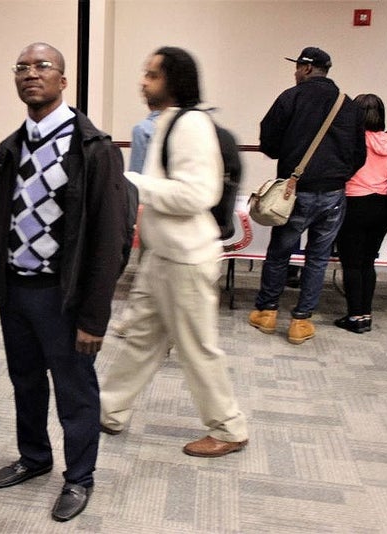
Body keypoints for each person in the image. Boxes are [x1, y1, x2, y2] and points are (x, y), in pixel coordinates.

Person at [0, 42, 127, 522]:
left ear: (63, 79)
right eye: (22, 67)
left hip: (65, 297)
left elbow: (110, 241)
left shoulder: (93, 149)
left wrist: (95, 317)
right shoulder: (10, 146)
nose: (31, 74)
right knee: (26, 382)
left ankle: (80, 477)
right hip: (17, 292)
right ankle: (34, 457)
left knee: (76, 391)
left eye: (42, 67)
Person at [98, 46, 249, 458]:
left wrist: (131, 183)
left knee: (197, 348)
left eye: (152, 75)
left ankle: (229, 428)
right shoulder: (167, 122)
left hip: (186, 259)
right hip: (163, 256)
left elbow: (198, 194)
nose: (143, 82)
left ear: (175, 81)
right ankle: (109, 411)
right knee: (141, 340)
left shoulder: (192, 125)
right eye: (145, 73)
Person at [249, 47, 366, 344]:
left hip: (296, 191)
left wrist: (289, 159)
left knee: (280, 252)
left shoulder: (291, 97)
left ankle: (267, 312)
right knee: (318, 257)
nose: (295, 72)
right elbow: (359, 155)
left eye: (298, 66)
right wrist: (337, 175)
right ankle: (301, 322)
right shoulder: (348, 106)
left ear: (306, 68)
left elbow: (269, 140)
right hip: (333, 193)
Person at [335, 94, 387, 334]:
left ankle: (355, 316)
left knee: (351, 263)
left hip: (354, 204)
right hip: (382, 207)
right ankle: (366, 314)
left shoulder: (353, 140)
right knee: (368, 262)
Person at [108, 100, 164, 338]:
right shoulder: (191, 125)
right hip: (177, 211)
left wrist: (132, 210)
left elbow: (137, 175)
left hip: (152, 207)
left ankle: (136, 322)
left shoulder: (144, 129)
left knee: (147, 268)